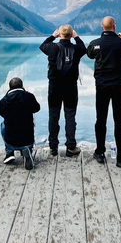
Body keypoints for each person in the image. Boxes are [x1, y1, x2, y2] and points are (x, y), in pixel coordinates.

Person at [86, 16, 121, 167]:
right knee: (119, 121)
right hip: (118, 87)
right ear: (114, 27)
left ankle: (100, 152)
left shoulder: (95, 43)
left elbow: (89, 54)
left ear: (101, 27)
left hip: (102, 86)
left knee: (100, 119)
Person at [39, 24, 86, 157]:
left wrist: (52, 36)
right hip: (71, 87)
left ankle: (53, 147)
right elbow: (84, 48)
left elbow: (43, 45)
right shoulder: (76, 49)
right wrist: (76, 37)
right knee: (70, 116)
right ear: (71, 35)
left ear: (59, 34)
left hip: (54, 87)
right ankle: (71, 147)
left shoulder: (53, 47)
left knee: (53, 116)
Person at [0, 77, 41, 170]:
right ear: (22, 86)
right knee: (28, 124)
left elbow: (2, 114)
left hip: (11, 138)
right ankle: (26, 150)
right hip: (27, 137)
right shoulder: (29, 97)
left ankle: (9, 152)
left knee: (3, 125)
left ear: (10, 87)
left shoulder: (3, 101)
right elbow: (37, 108)